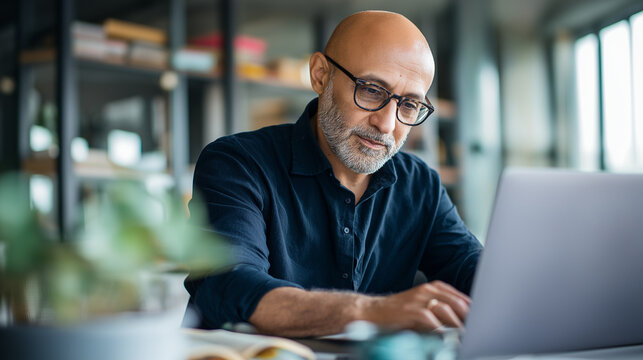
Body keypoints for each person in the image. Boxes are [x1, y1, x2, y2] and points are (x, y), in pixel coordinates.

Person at [185, 10, 482, 337]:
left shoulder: (420, 185)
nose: (387, 124)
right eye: (371, 90)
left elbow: (471, 269)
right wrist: (373, 311)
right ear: (321, 75)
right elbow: (231, 284)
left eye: (409, 105)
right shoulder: (237, 163)